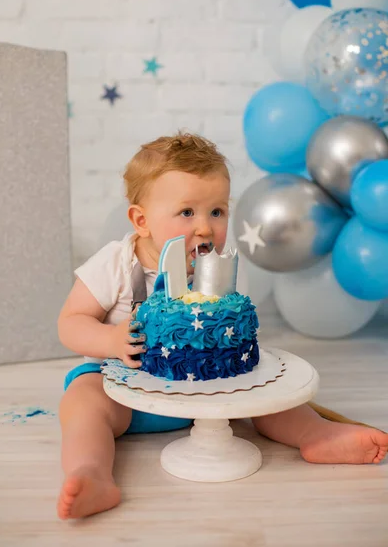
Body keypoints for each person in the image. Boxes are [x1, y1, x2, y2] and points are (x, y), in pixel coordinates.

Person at [57, 133, 388, 520]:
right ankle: (92, 472)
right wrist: (111, 339)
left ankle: (316, 435)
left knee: (266, 394)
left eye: (217, 212)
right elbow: (70, 323)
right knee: (83, 400)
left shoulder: (221, 269)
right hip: (124, 392)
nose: (204, 228)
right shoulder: (115, 261)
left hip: (209, 397)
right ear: (141, 220)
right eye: (186, 213)